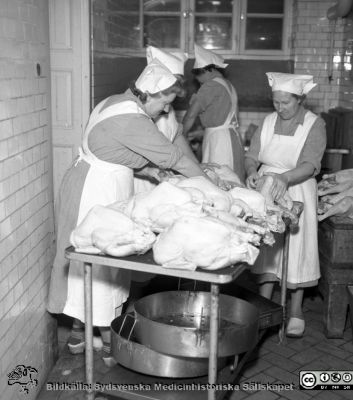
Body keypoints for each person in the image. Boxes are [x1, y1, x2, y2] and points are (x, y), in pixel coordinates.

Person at [47, 59, 208, 356]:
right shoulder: (133, 119)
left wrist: (149, 172)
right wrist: (207, 184)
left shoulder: (115, 101)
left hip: (93, 182)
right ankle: (111, 343)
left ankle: (79, 332)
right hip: (97, 191)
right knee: (101, 261)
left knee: (92, 258)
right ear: (153, 93)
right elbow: (177, 158)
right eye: (166, 103)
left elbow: (111, 147)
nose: (166, 110)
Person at [245, 72, 326, 337]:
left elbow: (311, 164)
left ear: (300, 99)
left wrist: (285, 178)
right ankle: (264, 306)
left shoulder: (315, 124)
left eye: (285, 103)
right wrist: (251, 171)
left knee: (298, 249)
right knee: (270, 248)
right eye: (276, 102)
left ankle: (296, 311)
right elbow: (252, 155)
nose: (279, 108)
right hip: (268, 188)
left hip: (298, 187)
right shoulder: (267, 122)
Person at [182, 44, 245, 182]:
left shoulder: (211, 86)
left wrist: (181, 135)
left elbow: (191, 115)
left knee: (219, 180)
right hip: (230, 137)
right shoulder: (227, 84)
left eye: (198, 74)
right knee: (231, 179)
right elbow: (220, 116)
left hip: (219, 142)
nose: (197, 79)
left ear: (207, 70)